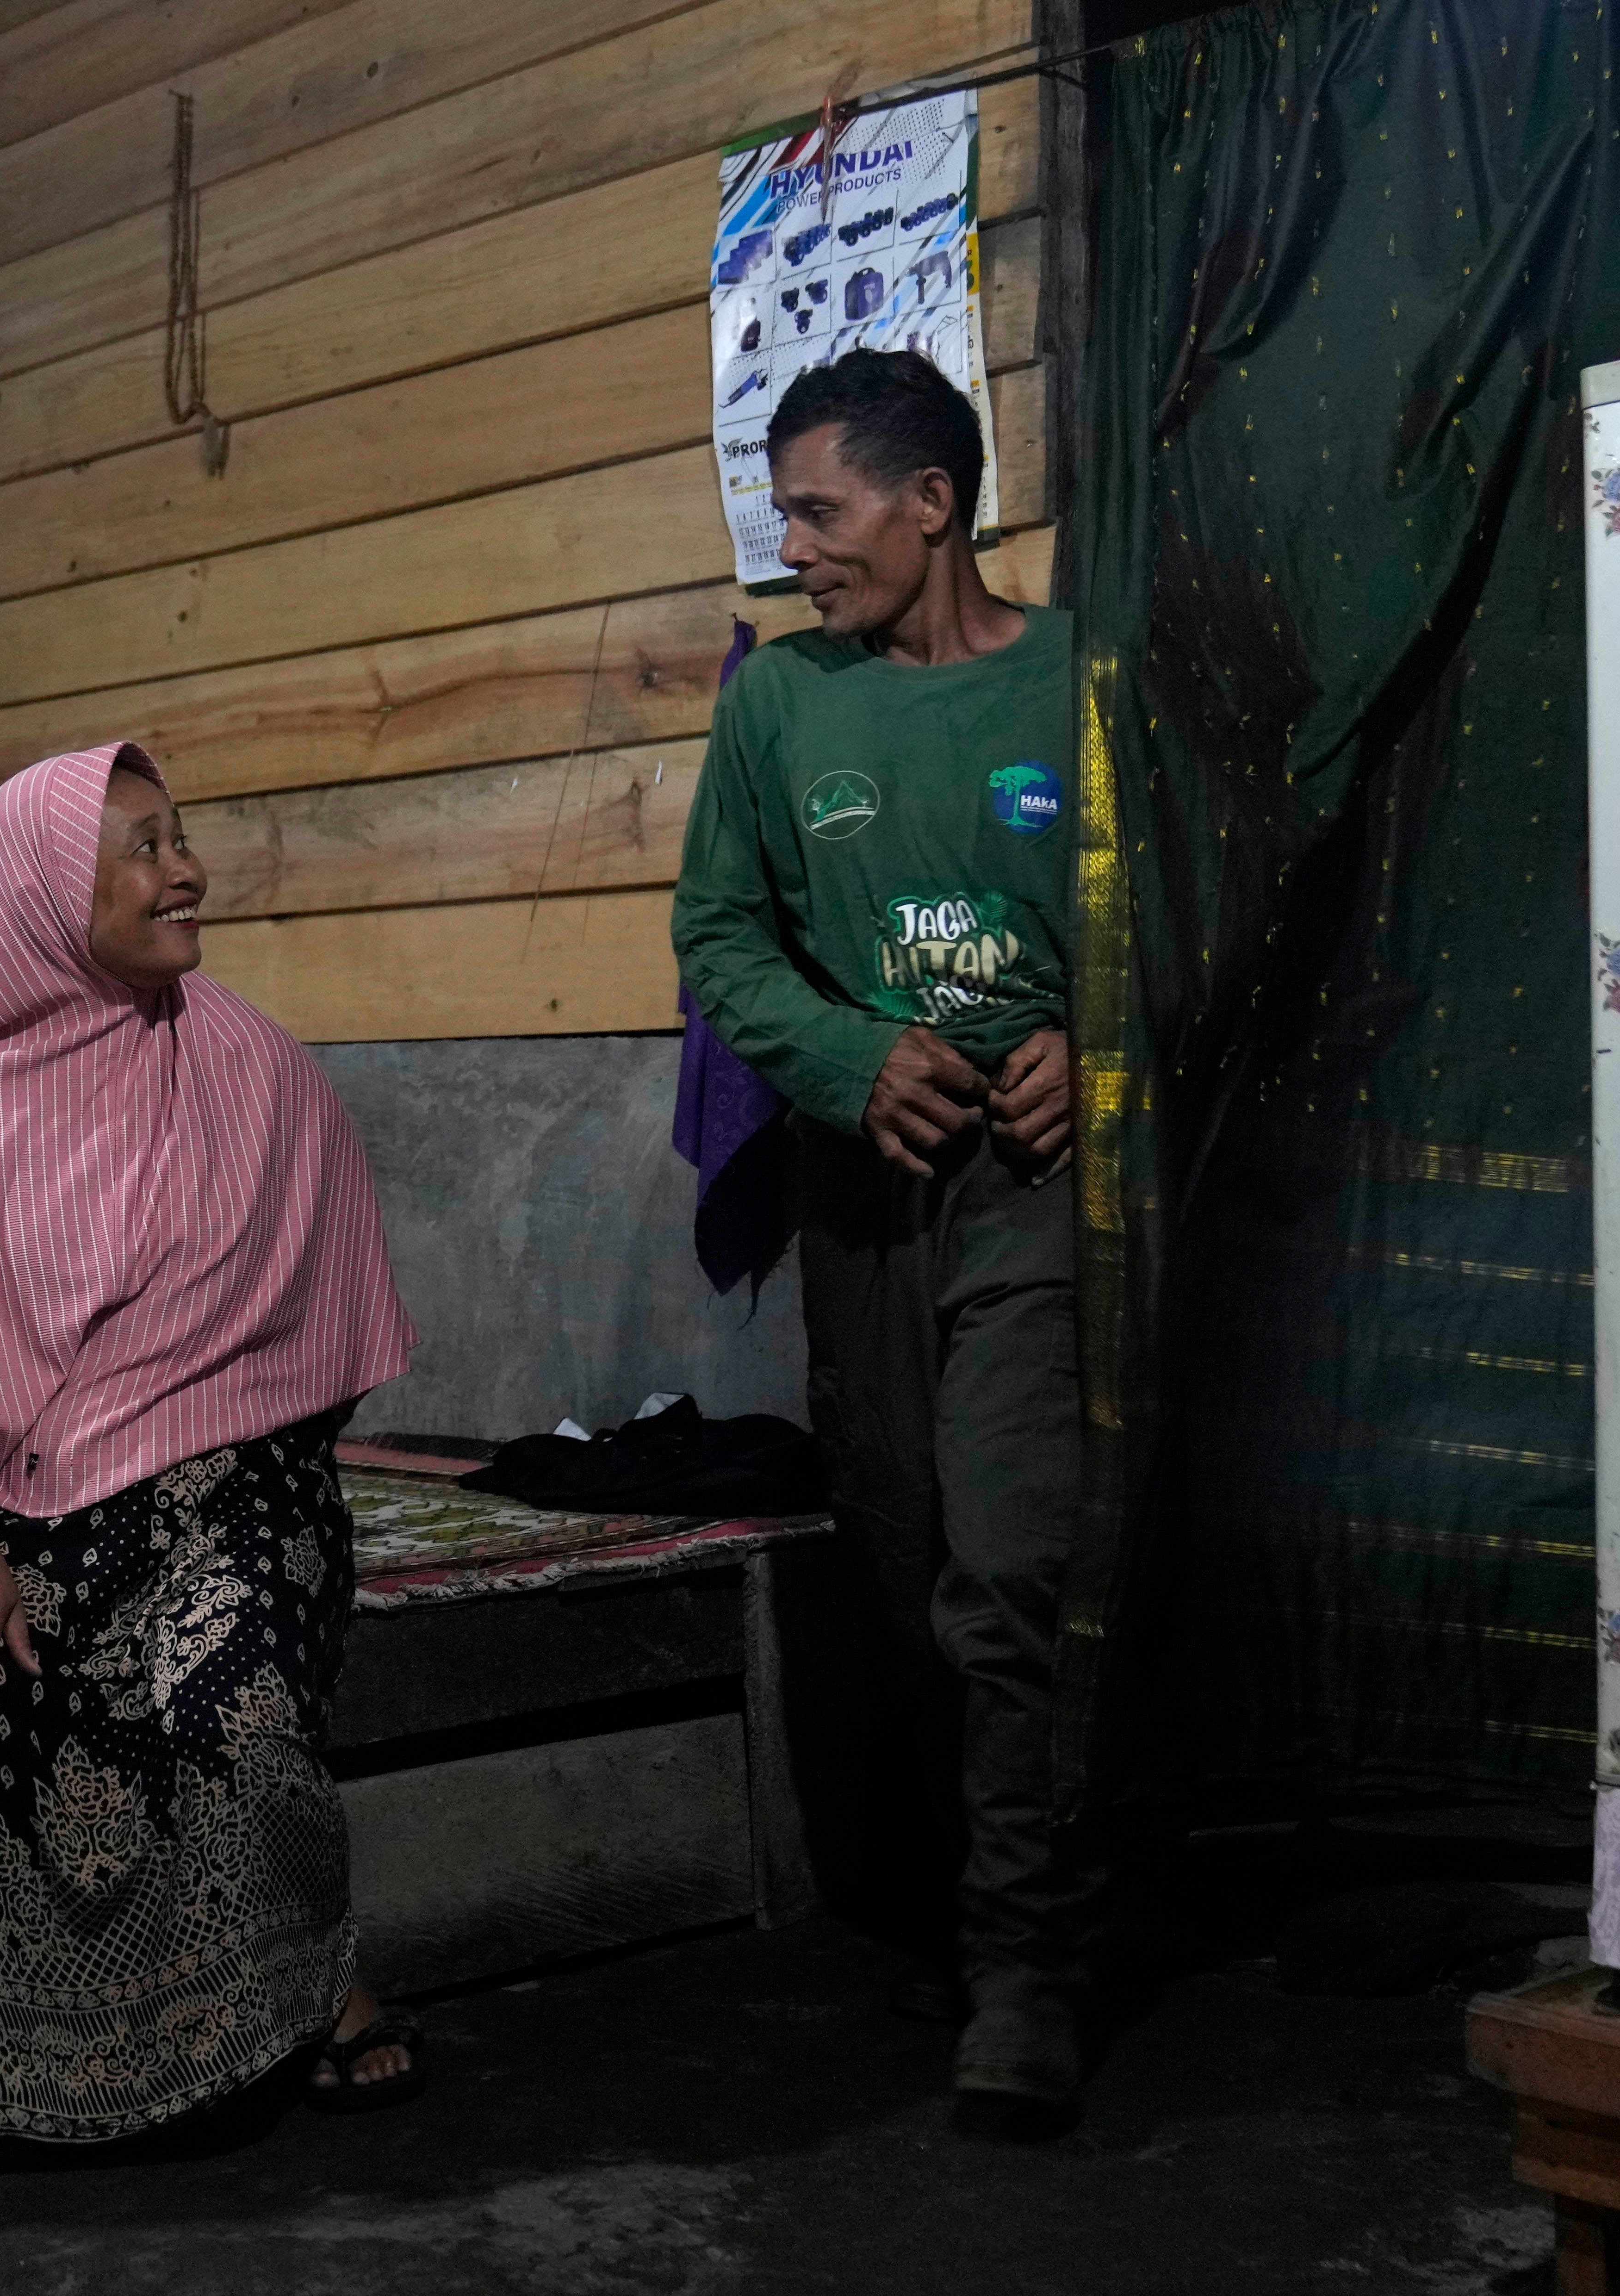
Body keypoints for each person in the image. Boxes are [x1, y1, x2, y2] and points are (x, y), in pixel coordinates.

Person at [0, 742, 423, 2150]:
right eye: (146, 849)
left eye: (180, 838)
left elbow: (311, 1356)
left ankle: (310, 1983)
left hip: (225, 1475)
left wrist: (181, 1464)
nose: (187, 872)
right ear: (43, 897)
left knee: (226, 1697)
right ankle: (8, 2064)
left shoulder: (243, 1061)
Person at [669, 348, 1097, 2138]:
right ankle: (952, 1905)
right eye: (788, 513)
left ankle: (1023, 1971)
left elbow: (1178, 892)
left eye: (823, 511)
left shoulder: (1082, 678)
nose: (797, 548)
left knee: (1006, 1569)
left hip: (1025, 1188)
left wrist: (1105, 1032)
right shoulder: (780, 705)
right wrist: (849, 1060)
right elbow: (718, 925)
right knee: (909, 1568)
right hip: (863, 1199)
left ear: (933, 505)